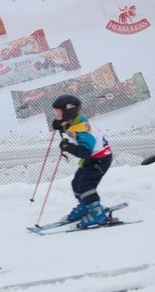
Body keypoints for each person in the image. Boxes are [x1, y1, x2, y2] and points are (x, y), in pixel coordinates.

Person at [51, 94, 113, 228]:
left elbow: (85, 152)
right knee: (76, 183)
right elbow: (69, 129)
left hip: (100, 159)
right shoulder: (74, 121)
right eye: (55, 113)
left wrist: (69, 147)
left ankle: (98, 214)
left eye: (58, 113)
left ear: (68, 112)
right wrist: (60, 125)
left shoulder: (83, 129)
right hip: (93, 159)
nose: (55, 115)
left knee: (86, 186)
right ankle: (85, 206)